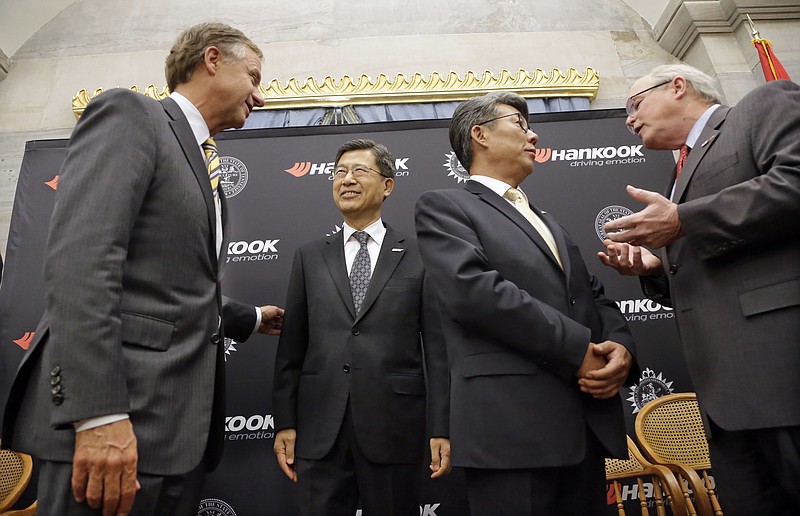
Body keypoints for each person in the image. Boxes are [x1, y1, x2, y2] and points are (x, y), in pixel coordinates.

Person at [1, 22, 284, 516]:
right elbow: (81, 264)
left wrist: (252, 318)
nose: (260, 97)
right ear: (212, 60)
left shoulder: (204, 164)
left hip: (173, 436)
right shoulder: (132, 114)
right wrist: (99, 415)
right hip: (114, 425)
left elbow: (170, 287)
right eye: (254, 77)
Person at [414, 91, 636, 515]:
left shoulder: (546, 218)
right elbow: (475, 293)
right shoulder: (445, 206)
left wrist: (621, 349)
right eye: (519, 123)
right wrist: (579, 352)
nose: (533, 135)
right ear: (479, 134)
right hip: (510, 430)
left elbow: (592, 294)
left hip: (584, 425)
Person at [598, 63, 800, 515]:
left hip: (783, 377)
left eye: (634, 105)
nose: (629, 119)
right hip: (727, 402)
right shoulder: (680, 171)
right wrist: (657, 267)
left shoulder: (761, 107)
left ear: (677, 86)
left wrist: (683, 220)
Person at [273, 139, 450, 516]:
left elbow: (438, 352)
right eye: (339, 173)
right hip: (319, 430)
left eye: (359, 171)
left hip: (394, 428)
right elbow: (291, 350)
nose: (346, 180)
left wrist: (441, 427)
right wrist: (285, 423)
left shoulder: (420, 255)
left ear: (387, 185)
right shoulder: (309, 256)